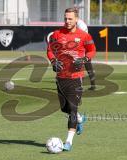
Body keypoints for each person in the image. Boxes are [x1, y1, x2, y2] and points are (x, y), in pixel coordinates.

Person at [47, 7, 96, 151]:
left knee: (73, 109)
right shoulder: (57, 34)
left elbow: (92, 50)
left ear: (76, 19)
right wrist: (53, 61)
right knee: (65, 109)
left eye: (70, 19)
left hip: (76, 78)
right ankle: (80, 119)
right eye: (65, 18)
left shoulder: (84, 36)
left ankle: (68, 142)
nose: (67, 21)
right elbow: (50, 50)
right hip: (61, 77)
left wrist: (85, 58)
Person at [77, 19, 96, 90]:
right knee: (88, 67)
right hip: (84, 45)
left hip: (83, 45)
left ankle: (80, 86)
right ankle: (93, 85)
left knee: (80, 66)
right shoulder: (79, 22)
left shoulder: (79, 23)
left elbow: (82, 35)